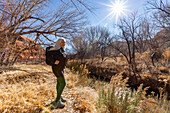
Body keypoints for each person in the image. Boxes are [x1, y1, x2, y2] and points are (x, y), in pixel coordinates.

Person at [49, 38, 67, 109]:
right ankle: (57, 101)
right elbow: (51, 59)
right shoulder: (57, 50)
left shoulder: (61, 50)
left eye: (64, 42)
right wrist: (54, 62)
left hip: (60, 69)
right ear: (59, 42)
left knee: (59, 83)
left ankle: (59, 96)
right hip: (57, 70)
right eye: (62, 42)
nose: (63, 44)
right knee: (63, 83)